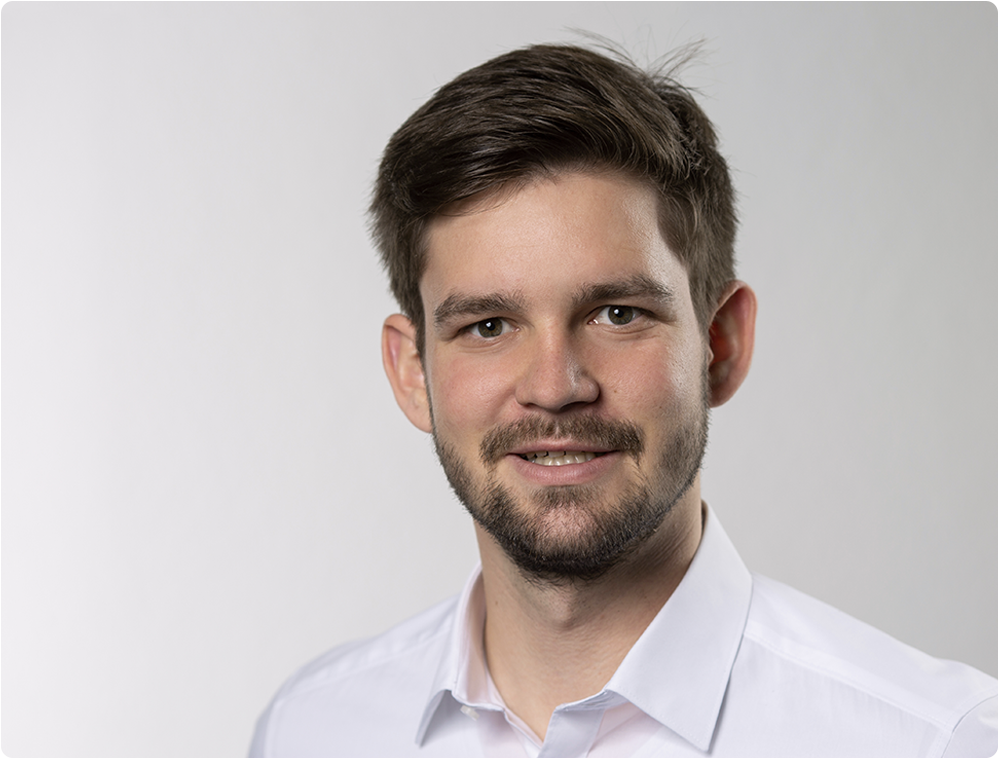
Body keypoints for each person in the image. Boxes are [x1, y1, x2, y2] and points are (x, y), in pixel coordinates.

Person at [250, 43, 997, 757]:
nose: (554, 387)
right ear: (412, 371)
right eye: (488, 326)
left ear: (721, 343)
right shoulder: (308, 732)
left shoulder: (940, 745)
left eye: (617, 314)